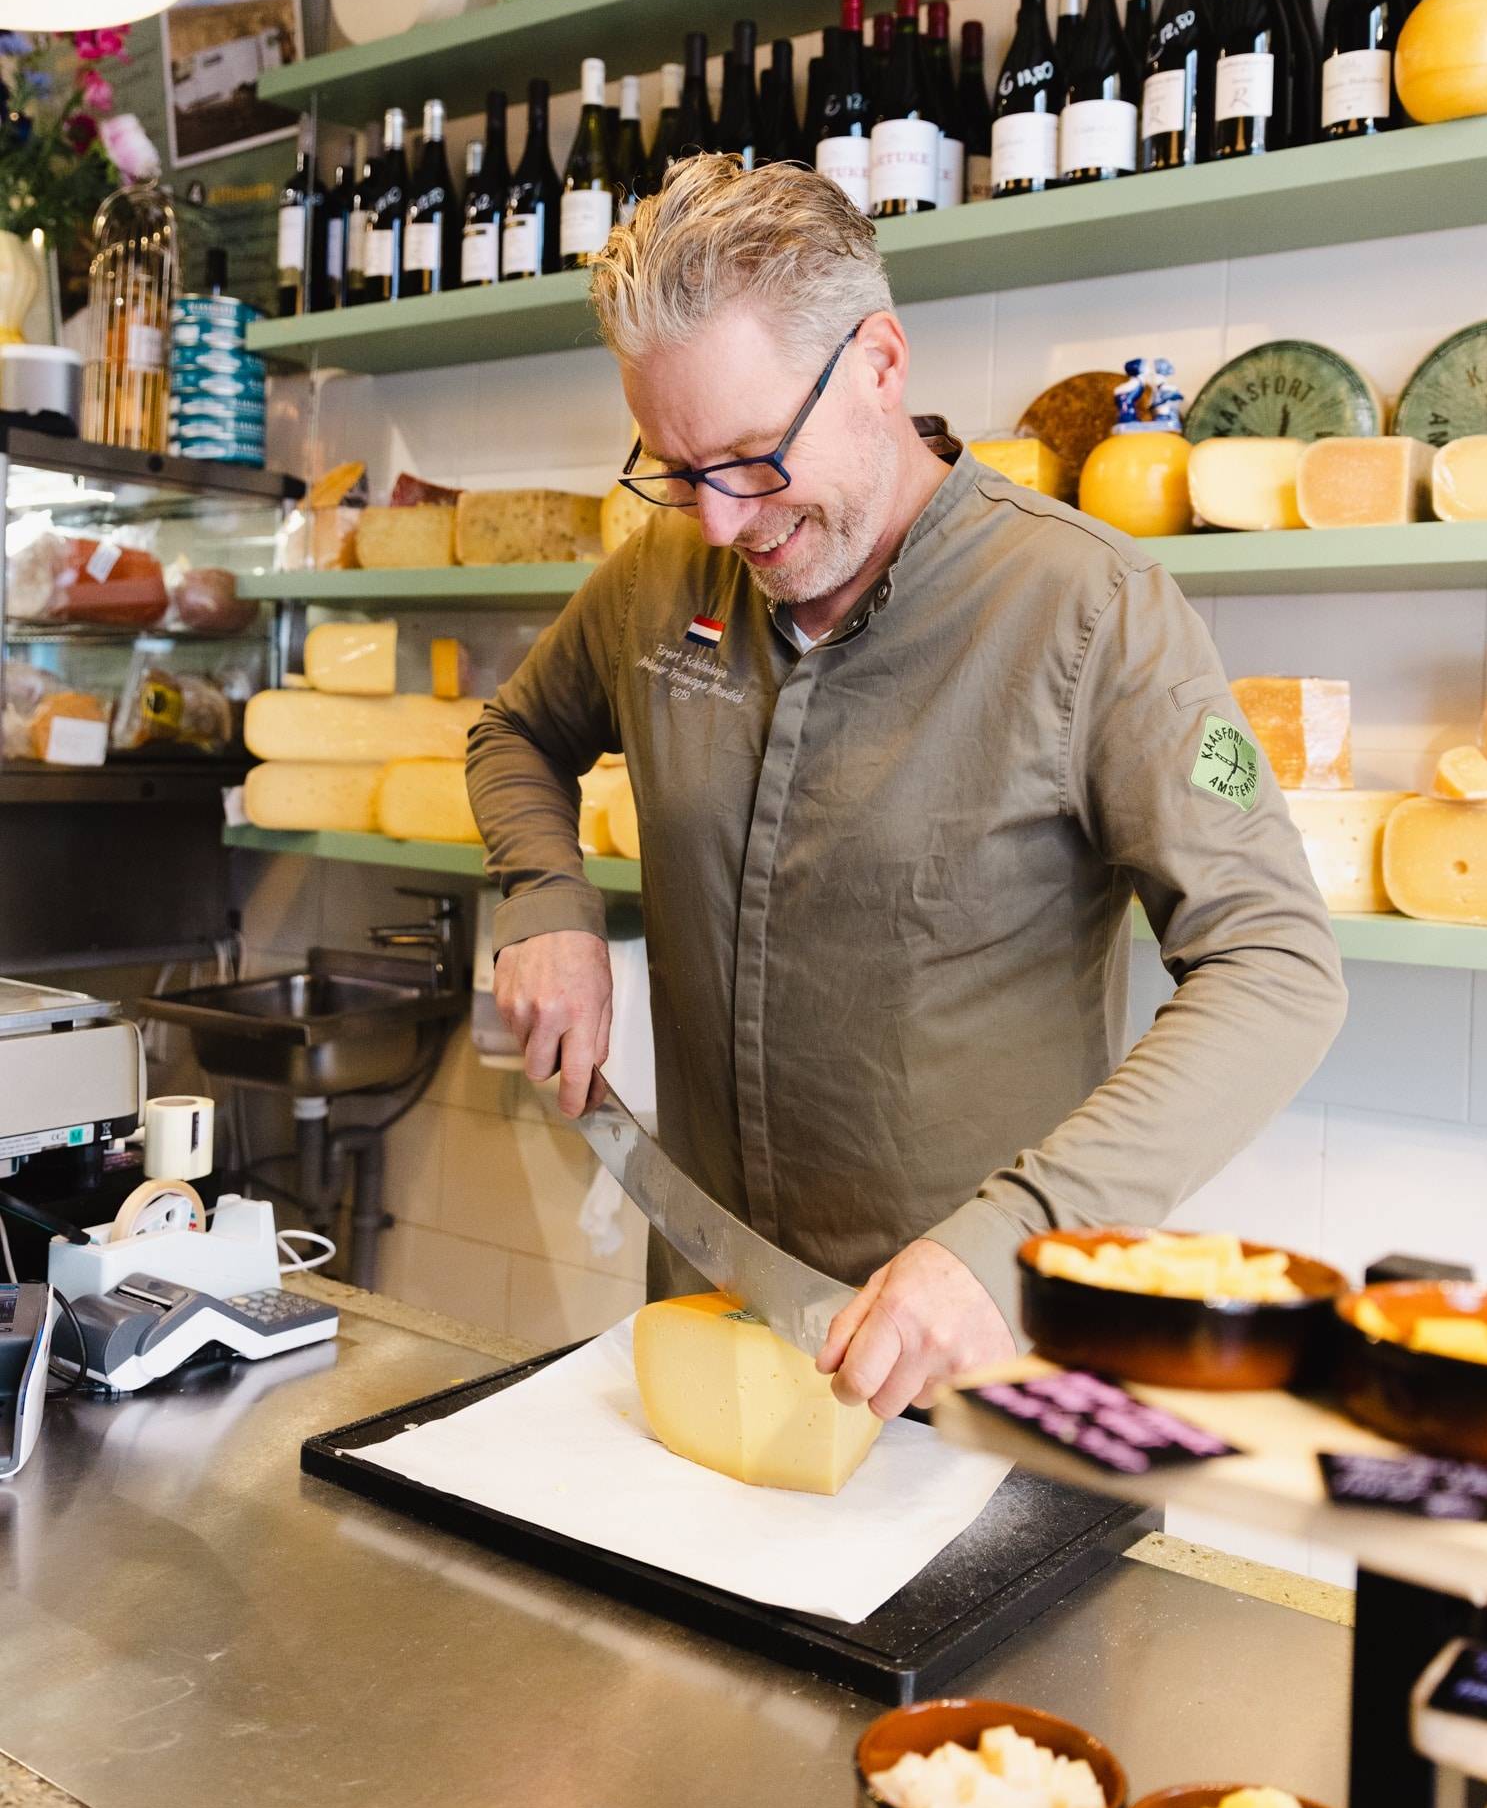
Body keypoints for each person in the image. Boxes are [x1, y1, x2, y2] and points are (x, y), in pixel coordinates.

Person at [467, 154, 1345, 1420]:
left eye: (752, 459)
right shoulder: (665, 577)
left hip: (978, 1366)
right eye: (672, 466)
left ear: (880, 362)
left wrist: (1009, 1237)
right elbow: (514, 736)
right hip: (712, 1328)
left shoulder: (1088, 611)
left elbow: (1276, 967)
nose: (716, 524)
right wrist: (545, 901)